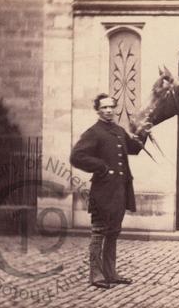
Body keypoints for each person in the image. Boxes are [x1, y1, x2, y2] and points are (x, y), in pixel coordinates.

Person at [70, 93, 145, 288]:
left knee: (113, 232)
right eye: (104, 107)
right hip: (102, 193)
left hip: (119, 192)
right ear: (98, 110)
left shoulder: (119, 130)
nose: (109, 110)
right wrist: (101, 167)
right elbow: (76, 156)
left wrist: (143, 132)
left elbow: (134, 148)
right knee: (99, 233)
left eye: (111, 107)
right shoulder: (93, 132)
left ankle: (111, 273)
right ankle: (96, 275)